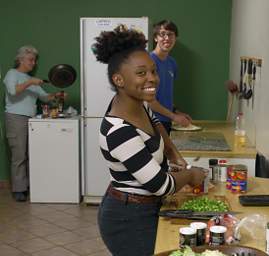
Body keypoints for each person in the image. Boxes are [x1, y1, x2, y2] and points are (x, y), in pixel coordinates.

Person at [93, 25, 206, 256]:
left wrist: (172, 153)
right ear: (119, 79)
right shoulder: (119, 130)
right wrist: (192, 175)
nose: (152, 78)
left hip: (144, 207)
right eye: (141, 73)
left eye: (153, 71)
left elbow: (155, 124)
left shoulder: (140, 105)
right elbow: (160, 185)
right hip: (128, 218)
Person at [3, 45, 66, 202]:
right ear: (21, 59)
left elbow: (45, 97)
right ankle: (19, 189)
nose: (34, 63)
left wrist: (56, 95)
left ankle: (32, 186)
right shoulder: (12, 74)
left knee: (33, 155)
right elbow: (13, 91)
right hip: (16, 118)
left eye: (35, 60)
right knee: (19, 156)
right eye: (31, 60)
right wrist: (31, 81)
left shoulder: (31, 80)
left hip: (32, 120)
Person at [149, 20, 192, 134]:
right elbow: (149, 101)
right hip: (151, 122)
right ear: (156, 38)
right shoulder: (149, 62)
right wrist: (174, 117)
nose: (167, 38)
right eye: (162, 34)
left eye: (170, 34)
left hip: (166, 121)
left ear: (175, 38)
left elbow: (164, 95)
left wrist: (177, 112)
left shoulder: (172, 63)